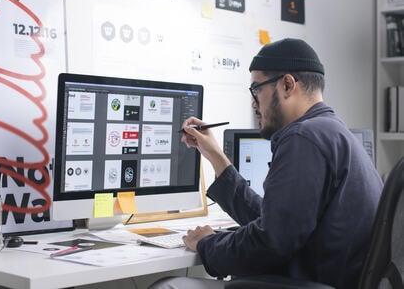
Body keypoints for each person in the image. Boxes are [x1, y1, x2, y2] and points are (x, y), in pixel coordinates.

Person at [148, 38, 383, 289]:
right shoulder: (329, 132)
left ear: (287, 85)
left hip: (311, 283)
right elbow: (274, 224)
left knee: (169, 286)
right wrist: (217, 157)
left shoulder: (303, 138)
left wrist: (208, 243)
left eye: (256, 89)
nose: (253, 103)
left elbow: (269, 244)